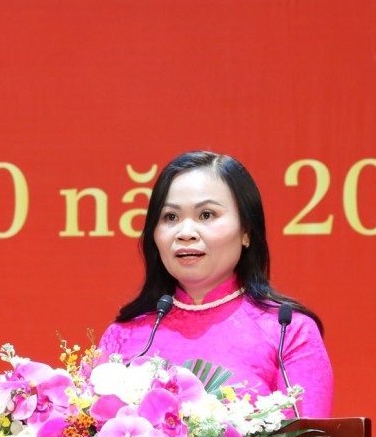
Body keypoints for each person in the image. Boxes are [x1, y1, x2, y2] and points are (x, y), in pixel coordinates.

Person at [97, 150, 333, 417]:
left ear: (246, 231)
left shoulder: (286, 330)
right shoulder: (123, 335)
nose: (185, 233)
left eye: (206, 215)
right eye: (170, 217)